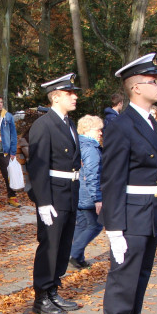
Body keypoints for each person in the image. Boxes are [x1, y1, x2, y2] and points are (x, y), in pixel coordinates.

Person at [101, 53, 157, 314]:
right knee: (123, 280)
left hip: (150, 213)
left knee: (139, 279)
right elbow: (112, 179)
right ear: (136, 87)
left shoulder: (151, 122)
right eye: (155, 80)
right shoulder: (122, 126)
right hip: (129, 216)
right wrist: (114, 229)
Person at [27, 73, 82, 314]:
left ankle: (53, 290)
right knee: (49, 246)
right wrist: (43, 202)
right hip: (53, 194)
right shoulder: (44, 124)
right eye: (70, 93)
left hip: (69, 192)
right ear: (56, 96)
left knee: (62, 245)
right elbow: (37, 166)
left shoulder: (69, 123)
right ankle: (41, 296)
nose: (75, 96)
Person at [69, 115, 103, 270]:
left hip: (78, 192)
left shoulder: (78, 144)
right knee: (95, 225)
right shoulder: (90, 148)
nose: (101, 133)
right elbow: (92, 175)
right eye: (98, 129)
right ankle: (73, 254)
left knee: (82, 225)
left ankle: (77, 257)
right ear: (89, 130)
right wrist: (97, 198)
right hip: (87, 194)